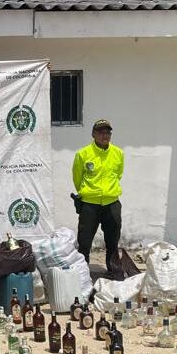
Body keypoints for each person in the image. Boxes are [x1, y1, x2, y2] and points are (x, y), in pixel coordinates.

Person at [71, 119, 125, 280]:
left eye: (107, 132)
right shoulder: (83, 154)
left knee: (112, 241)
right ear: (93, 134)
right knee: (85, 241)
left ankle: (114, 271)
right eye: (100, 132)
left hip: (112, 203)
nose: (104, 135)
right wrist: (87, 192)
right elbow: (77, 177)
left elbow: (119, 174)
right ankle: (82, 273)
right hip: (89, 205)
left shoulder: (118, 153)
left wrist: (109, 191)